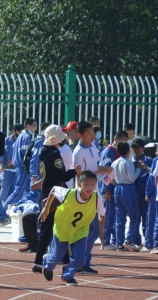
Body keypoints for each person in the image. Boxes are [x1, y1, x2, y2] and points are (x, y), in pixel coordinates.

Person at [39, 171, 106, 286]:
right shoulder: (68, 193)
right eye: (86, 184)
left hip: (80, 230)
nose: (89, 187)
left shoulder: (97, 198)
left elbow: (102, 214)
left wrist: (101, 234)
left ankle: (67, 276)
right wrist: (46, 208)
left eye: (92, 184)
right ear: (79, 184)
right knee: (57, 257)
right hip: (62, 228)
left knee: (81, 259)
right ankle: (47, 265)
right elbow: (54, 189)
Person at [31, 126, 81, 273]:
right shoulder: (55, 154)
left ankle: (60, 260)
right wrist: (74, 170)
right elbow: (62, 176)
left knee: (53, 228)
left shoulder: (43, 152)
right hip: (55, 195)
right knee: (57, 228)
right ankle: (41, 261)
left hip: (46, 193)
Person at [71, 121, 113, 273]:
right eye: (88, 134)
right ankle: (78, 259)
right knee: (92, 229)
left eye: (92, 133)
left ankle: (83, 261)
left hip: (95, 191)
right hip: (84, 193)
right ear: (80, 135)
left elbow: (95, 167)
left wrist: (106, 169)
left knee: (92, 229)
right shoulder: (78, 152)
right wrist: (100, 172)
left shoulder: (94, 147)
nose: (92, 136)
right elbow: (81, 176)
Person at [111, 141, 147, 251]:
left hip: (117, 188)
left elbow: (111, 179)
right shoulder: (128, 162)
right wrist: (139, 168)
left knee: (120, 218)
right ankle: (130, 240)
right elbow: (132, 177)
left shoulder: (115, 162)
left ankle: (119, 243)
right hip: (128, 188)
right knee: (135, 217)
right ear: (128, 151)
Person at [99, 130, 129, 248]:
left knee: (116, 216)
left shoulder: (119, 153)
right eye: (122, 141)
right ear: (116, 138)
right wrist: (106, 189)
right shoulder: (108, 152)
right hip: (109, 188)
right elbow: (104, 171)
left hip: (116, 188)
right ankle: (105, 242)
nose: (124, 144)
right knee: (109, 215)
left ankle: (115, 240)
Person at [5, 118, 37, 207]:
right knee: (18, 192)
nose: (36, 128)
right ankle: (3, 212)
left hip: (20, 167)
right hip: (23, 168)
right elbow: (26, 154)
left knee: (26, 190)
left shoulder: (21, 136)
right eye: (34, 125)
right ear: (28, 126)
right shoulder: (26, 137)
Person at [143, 140, 158, 251]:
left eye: (157, 148)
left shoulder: (157, 160)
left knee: (152, 218)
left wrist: (148, 193)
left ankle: (150, 243)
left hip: (157, 193)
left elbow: (152, 178)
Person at [0, 123, 23, 202]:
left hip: (17, 168)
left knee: (15, 188)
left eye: (21, 131)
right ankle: (0, 207)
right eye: (18, 131)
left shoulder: (22, 140)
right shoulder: (7, 140)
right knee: (4, 188)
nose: (20, 133)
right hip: (7, 168)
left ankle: (12, 206)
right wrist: (1, 164)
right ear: (14, 131)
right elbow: (1, 153)